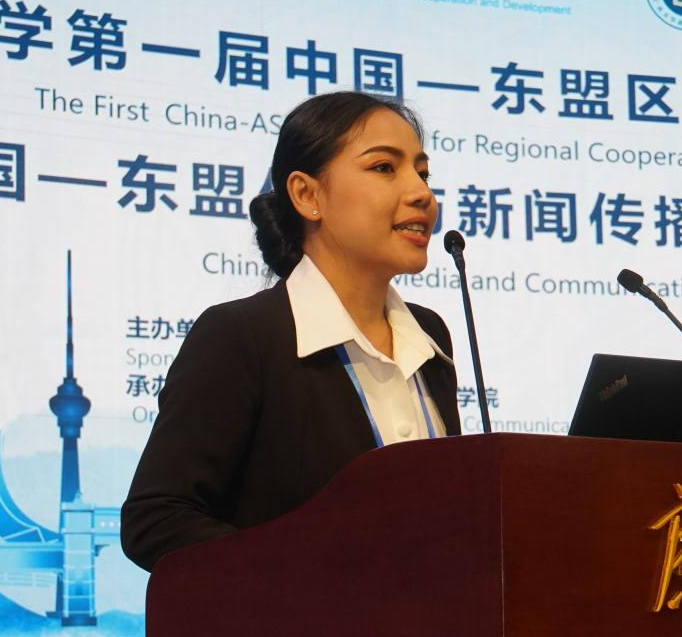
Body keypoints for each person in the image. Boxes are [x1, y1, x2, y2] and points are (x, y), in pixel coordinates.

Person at [120, 91, 461, 572]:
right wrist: (306, 579)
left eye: (423, 173)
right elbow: (157, 520)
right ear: (307, 195)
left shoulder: (430, 336)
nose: (422, 193)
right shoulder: (242, 336)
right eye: (385, 168)